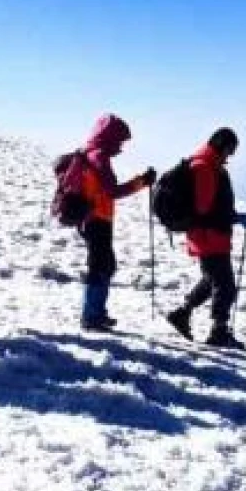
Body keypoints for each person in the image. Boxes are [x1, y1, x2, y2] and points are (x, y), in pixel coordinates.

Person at [165, 127, 246, 349]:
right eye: (231, 150)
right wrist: (235, 217)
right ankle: (219, 332)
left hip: (209, 235)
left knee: (211, 280)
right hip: (208, 236)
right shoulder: (204, 168)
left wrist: (232, 217)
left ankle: (182, 314)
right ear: (223, 146)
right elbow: (205, 209)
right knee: (225, 285)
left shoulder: (208, 165)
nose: (231, 155)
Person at [72, 114, 155, 331]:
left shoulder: (92, 153)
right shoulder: (99, 157)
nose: (121, 146)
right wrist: (142, 182)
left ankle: (95, 313)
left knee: (104, 264)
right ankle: (92, 316)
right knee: (100, 266)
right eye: (119, 140)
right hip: (96, 219)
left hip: (93, 218)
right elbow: (113, 191)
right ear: (110, 137)